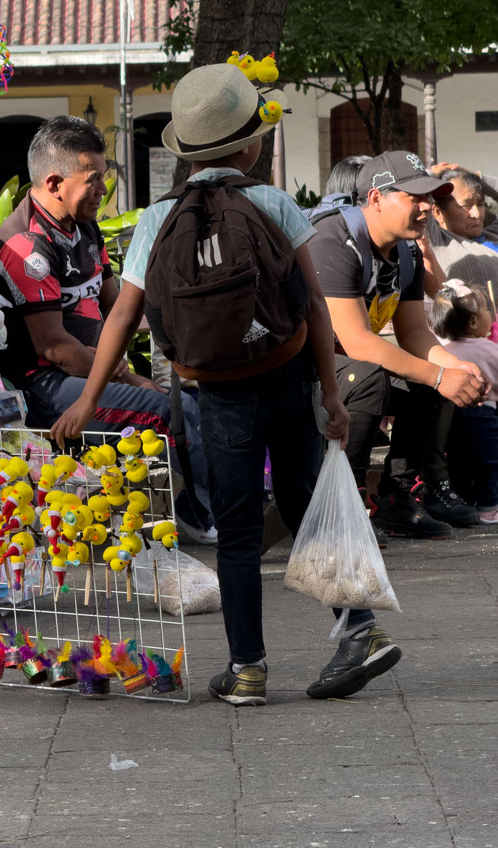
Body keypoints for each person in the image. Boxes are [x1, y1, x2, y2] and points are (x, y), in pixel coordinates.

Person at [52, 62, 403, 706]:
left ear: (186, 153)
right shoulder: (272, 204)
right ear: (250, 144)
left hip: (215, 392)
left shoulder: (157, 222)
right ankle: (359, 629)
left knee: (238, 531)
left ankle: (247, 670)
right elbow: (316, 310)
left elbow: (121, 319)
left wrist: (88, 399)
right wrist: (330, 393)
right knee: (302, 507)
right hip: (289, 378)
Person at [0, 115, 216, 544]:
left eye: (103, 178)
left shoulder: (83, 227)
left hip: (90, 374)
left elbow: (115, 305)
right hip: (45, 389)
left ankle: (203, 509)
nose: (104, 190)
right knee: (165, 412)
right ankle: (225, 513)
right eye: (94, 180)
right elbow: (56, 349)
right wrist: (127, 375)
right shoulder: (26, 247)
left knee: (191, 400)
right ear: (54, 183)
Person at [308, 150, 487, 538]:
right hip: (300, 368)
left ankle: (396, 497)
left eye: (430, 198)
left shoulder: (406, 249)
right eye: (415, 197)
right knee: (372, 376)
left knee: (438, 378)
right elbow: (356, 342)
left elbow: (414, 334)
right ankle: (347, 502)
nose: (426, 208)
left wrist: (452, 369)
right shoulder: (333, 241)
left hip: (345, 365)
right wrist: (439, 375)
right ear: (376, 198)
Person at [429, 280, 498, 524]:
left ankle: (464, 503)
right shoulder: (488, 349)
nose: (491, 314)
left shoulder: (444, 351)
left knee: (459, 465)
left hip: (452, 421)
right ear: (473, 322)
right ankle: (489, 510)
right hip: (483, 419)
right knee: (489, 465)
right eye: (487, 310)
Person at [427, 167, 498, 292]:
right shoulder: (438, 242)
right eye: (465, 206)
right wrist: (432, 175)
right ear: (438, 212)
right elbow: (417, 194)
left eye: (480, 204)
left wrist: (479, 176)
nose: (477, 214)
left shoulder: (493, 234)